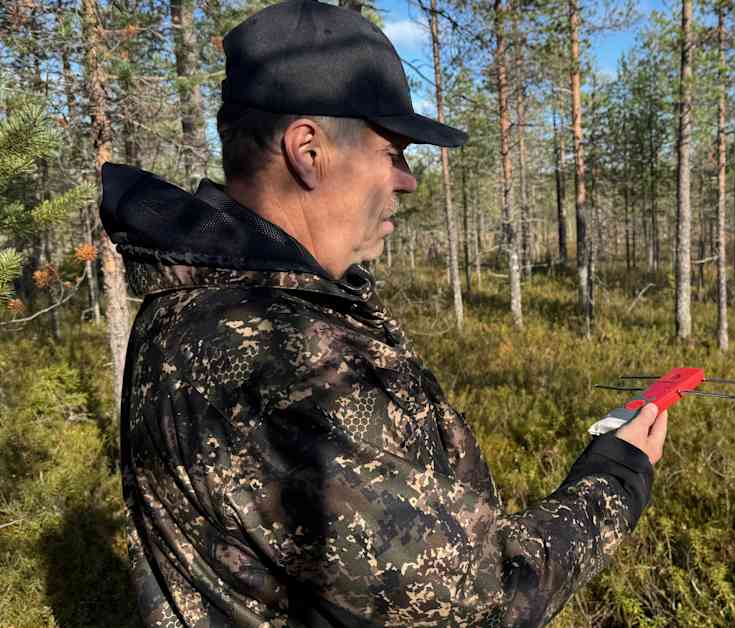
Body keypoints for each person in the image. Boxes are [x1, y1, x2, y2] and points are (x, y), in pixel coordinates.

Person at [98, 1, 668, 626]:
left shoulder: (195, 306)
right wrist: (615, 478)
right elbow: (482, 602)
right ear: (307, 151)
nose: (408, 180)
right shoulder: (281, 363)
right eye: (393, 152)